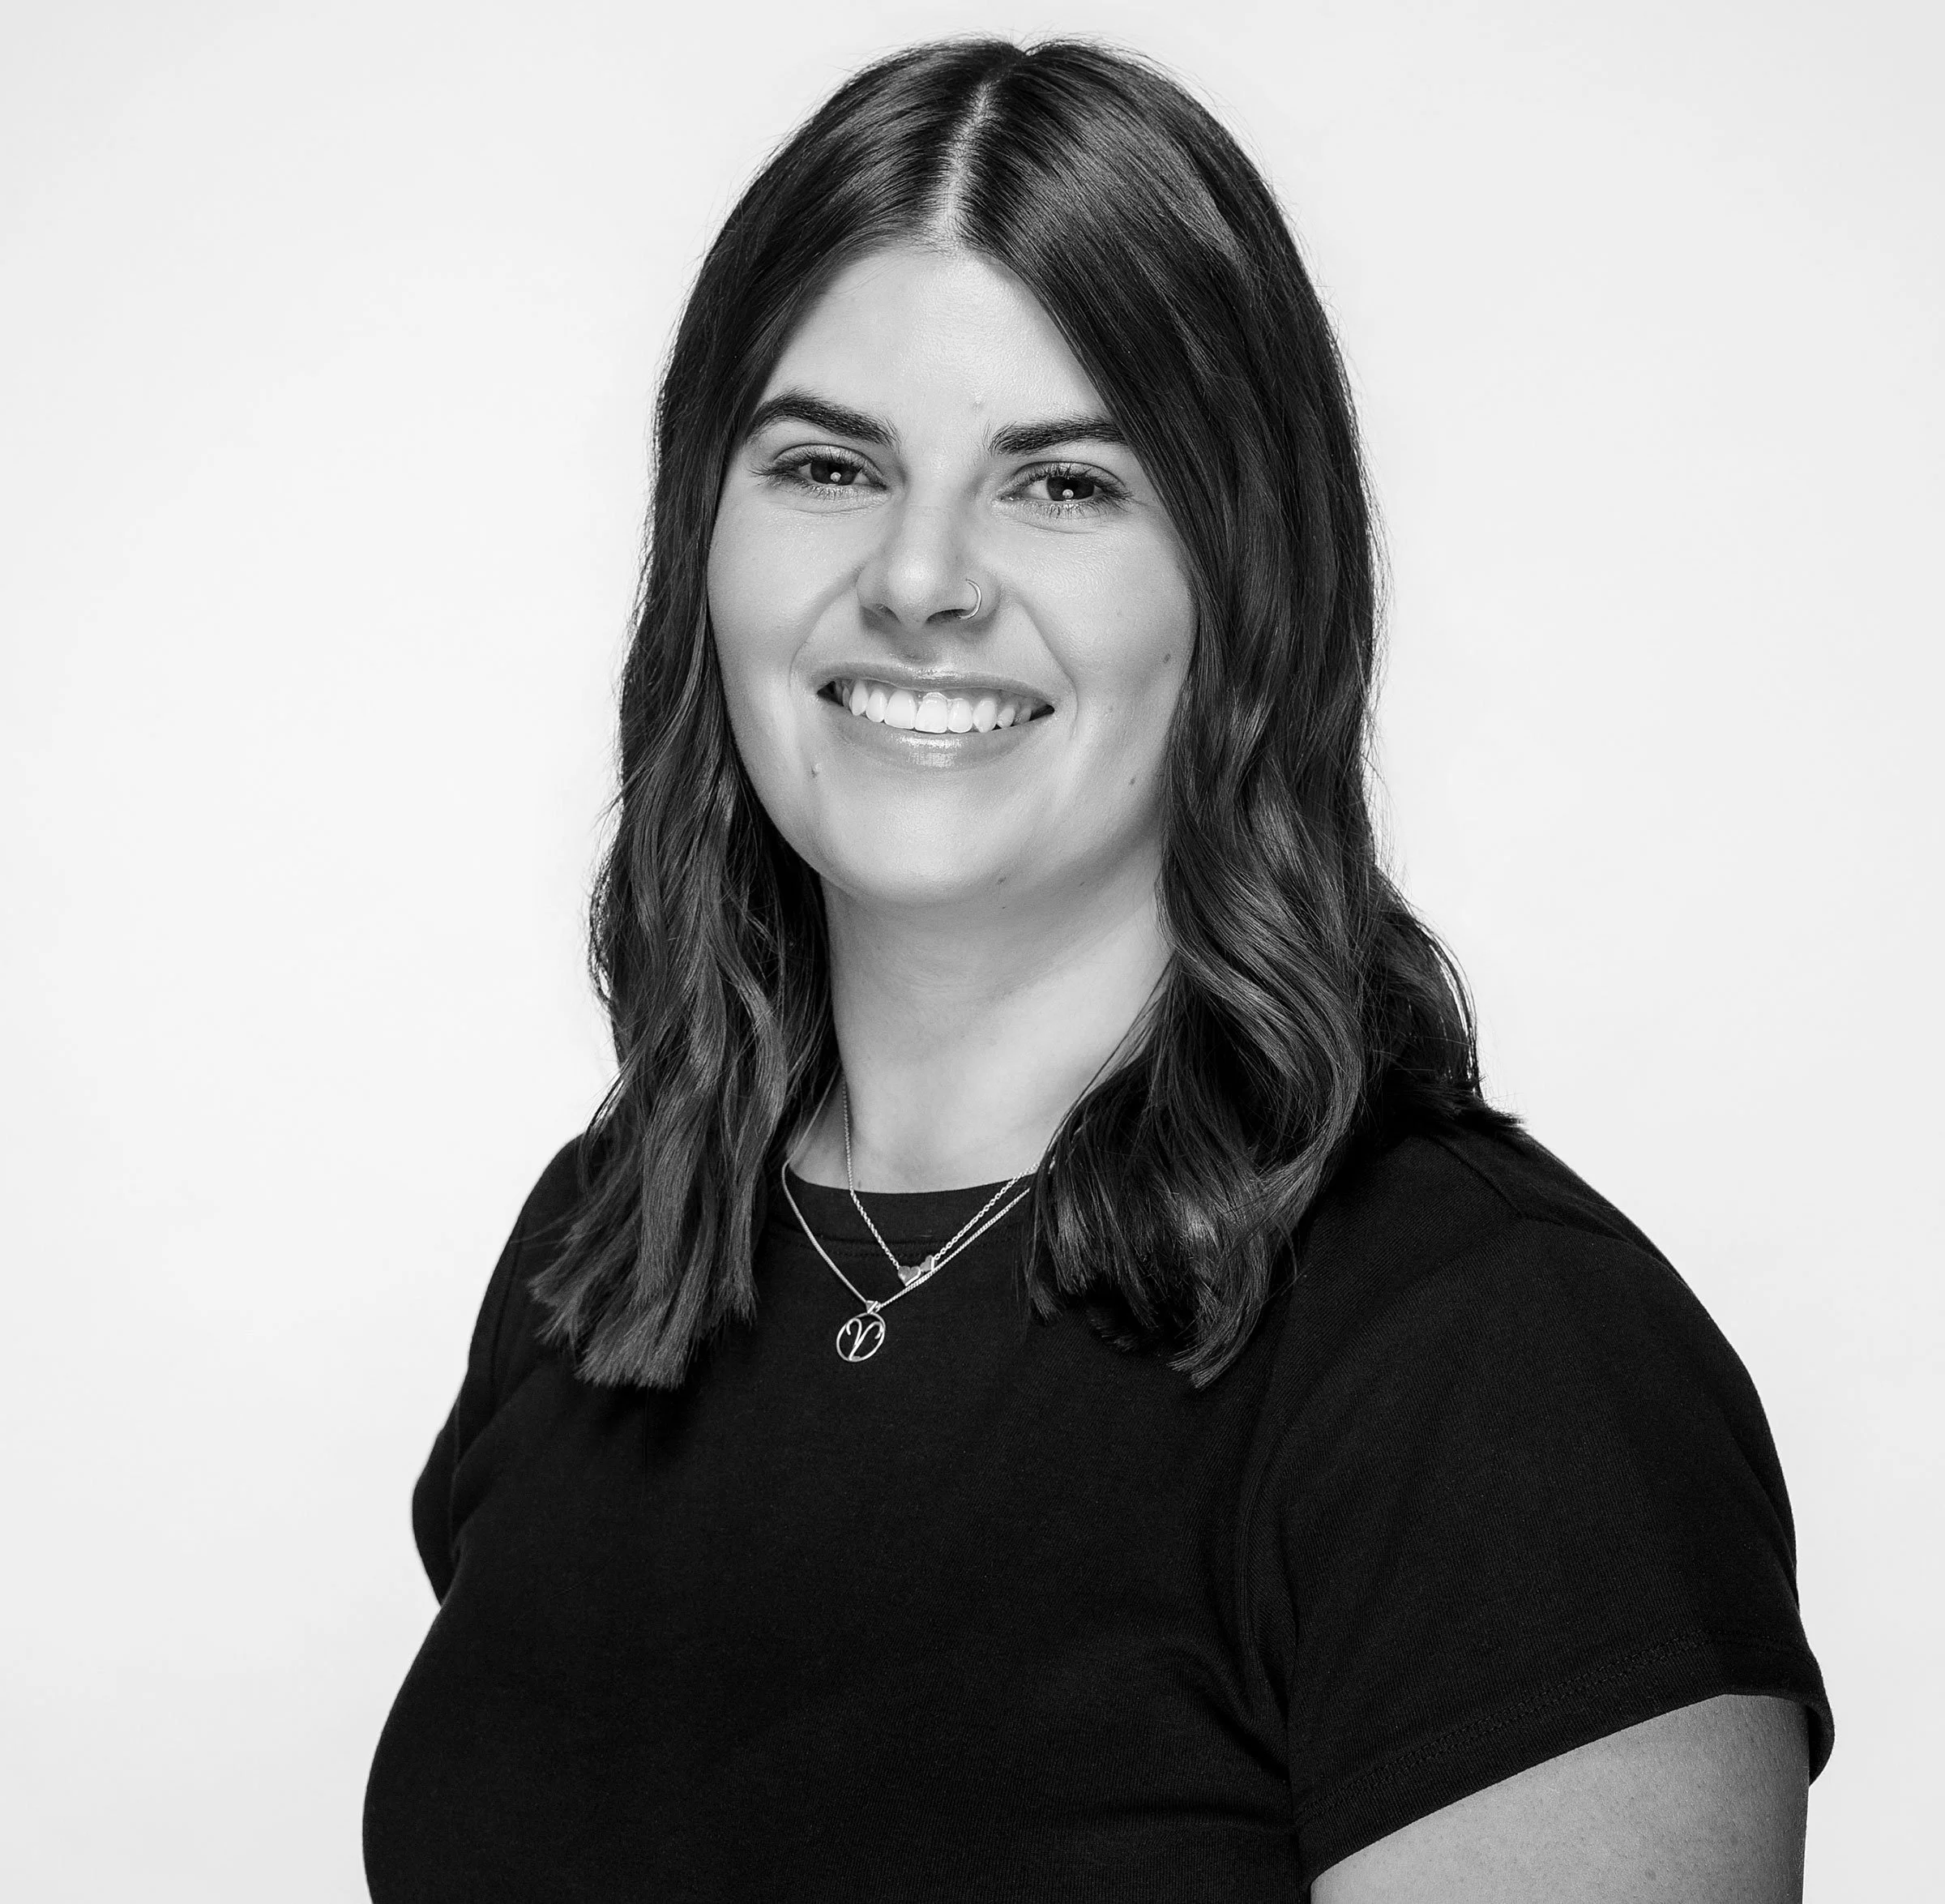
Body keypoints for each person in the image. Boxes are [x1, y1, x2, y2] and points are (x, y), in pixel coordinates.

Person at [364, 38, 1830, 1902]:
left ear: (1247, 580)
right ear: (705, 544)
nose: (921, 578)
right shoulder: (600, 1269)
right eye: (826, 463)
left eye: (1062, 487)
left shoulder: (1499, 1367)